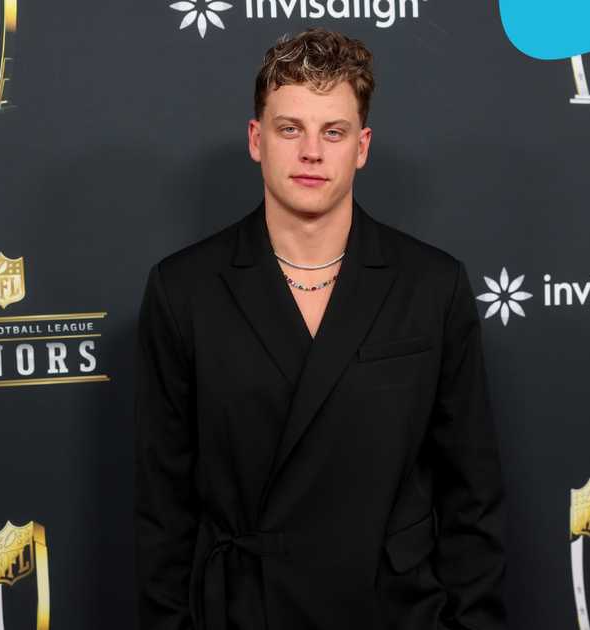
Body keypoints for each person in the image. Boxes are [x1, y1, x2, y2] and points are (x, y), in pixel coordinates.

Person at [134, 29, 505, 630]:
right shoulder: (184, 289)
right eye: (290, 129)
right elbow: (163, 512)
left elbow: (473, 498)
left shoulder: (432, 284)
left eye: (332, 132)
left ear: (361, 147)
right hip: (246, 611)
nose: (311, 152)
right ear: (257, 140)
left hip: (394, 611)